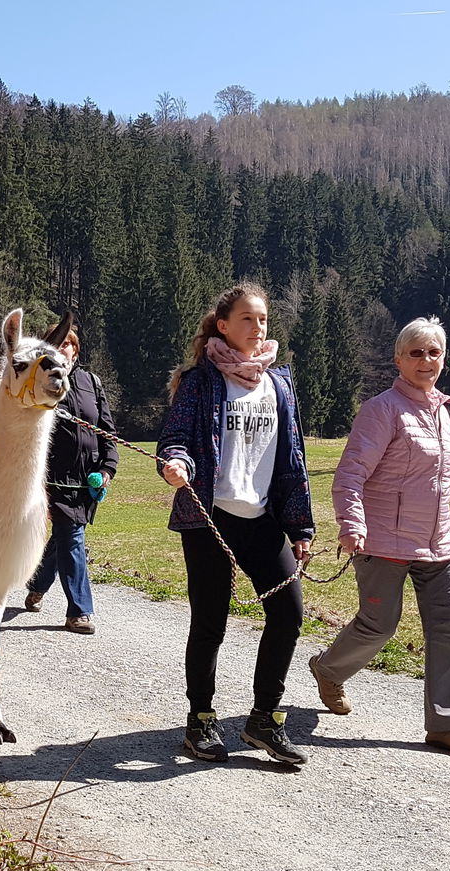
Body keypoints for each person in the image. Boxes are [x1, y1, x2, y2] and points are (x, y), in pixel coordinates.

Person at [308, 317, 450, 760]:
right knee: (378, 625)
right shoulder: (382, 409)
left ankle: (445, 725)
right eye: (416, 353)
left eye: (434, 353)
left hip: (441, 542)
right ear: (399, 359)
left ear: (444, 358)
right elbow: (350, 474)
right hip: (383, 541)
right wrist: (353, 525)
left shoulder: (441, 411)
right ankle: (328, 670)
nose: (426, 361)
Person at [157, 283, 315, 765]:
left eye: (262, 319)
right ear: (223, 326)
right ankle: (200, 721)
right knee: (210, 622)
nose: (257, 326)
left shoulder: (279, 385)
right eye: (247, 318)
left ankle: (264, 719)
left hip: (261, 519)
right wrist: (175, 463)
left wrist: (301, 527)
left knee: (288, 614)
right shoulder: (200, 382)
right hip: (209, 516)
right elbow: (177, 437)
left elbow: (292, 461)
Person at [23, 322, 117, 635]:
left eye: (68, 344)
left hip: (87, 482)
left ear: (75, 350)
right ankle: (79, 611)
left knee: (63, 539)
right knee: (72, 536)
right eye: (57, 343)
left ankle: (36, 584)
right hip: (53, 481)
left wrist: (107, 470)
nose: (63, 348)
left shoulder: (92, 382)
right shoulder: (39, 383)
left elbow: (108, 433)